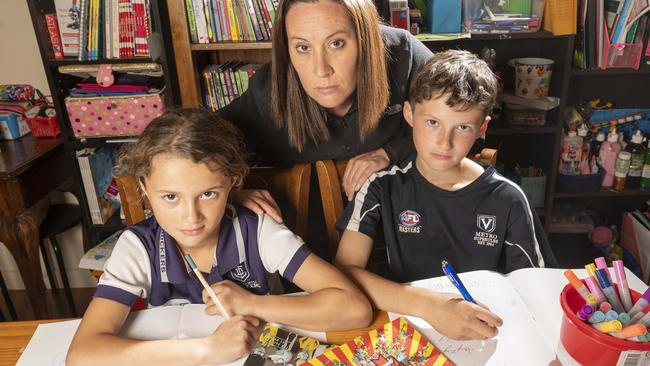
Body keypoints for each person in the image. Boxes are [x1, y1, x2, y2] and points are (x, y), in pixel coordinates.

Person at [66, 108, 372, 366]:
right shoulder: (138, 247)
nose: (191, 217)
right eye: (170, 197)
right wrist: (206, 350)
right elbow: (82, 354)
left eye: (208, 194)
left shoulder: (258, 231)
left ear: (233, 182)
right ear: (144, 188)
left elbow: (353, 308)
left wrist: (251, 304)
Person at [334, 50, 556, 340]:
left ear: (482, 128)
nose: (444, 141)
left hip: (484, 332)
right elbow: (344, 273)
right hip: (410, 330)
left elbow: (537, 288)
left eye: (462, 127)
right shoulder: (380, 185)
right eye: (432, 122)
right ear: (410, 114)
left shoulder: (507, 198)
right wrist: (431, 307)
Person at [221, 0, 433, 218]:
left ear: (366, 38)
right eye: (303, 48)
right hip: (303, 238)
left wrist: (392, 152)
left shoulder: (403, 54)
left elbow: (465, 120)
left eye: (336, 43)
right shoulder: (268, 89)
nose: (321, 70)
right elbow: (193, 151)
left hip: (405, 223)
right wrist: (229, 192)